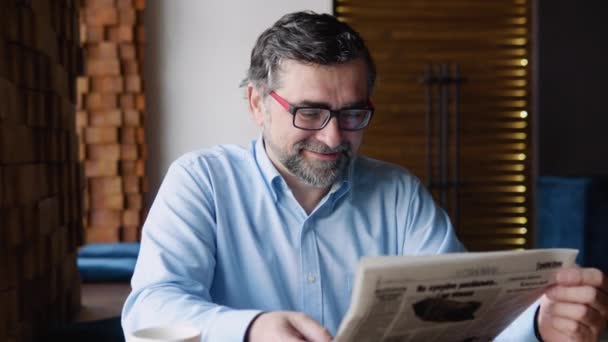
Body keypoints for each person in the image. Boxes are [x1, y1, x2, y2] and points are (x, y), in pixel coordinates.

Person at [122, 11, 608, 342]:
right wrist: (250, 330)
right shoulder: (202, 182)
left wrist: (542, 325)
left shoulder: (398, 194)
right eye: (310, 112)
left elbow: (463, 320)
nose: (334, 138)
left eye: (352, 114)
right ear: (256, 103)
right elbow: (148, 313)